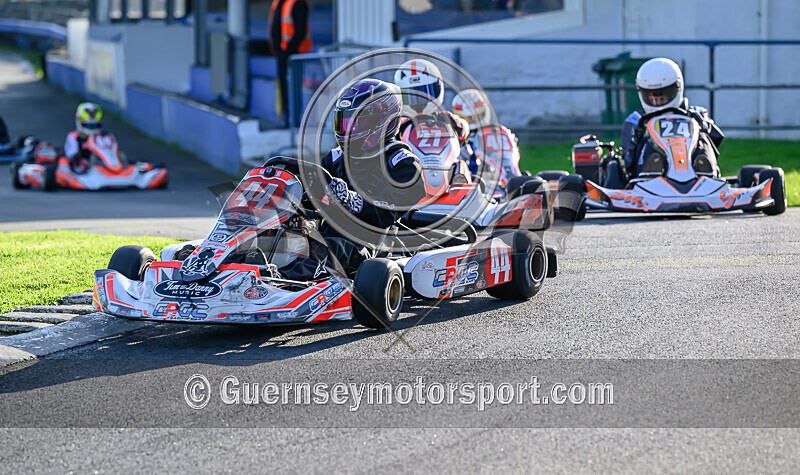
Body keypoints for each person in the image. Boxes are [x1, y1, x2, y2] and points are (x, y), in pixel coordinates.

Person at [280, 78, 427, 279]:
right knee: (274, 235)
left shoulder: (401, 163)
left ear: (383, 121)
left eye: (357, 122)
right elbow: (312, 193)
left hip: (369, 243)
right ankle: (234, 271)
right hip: (326, 233)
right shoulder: (334, 159)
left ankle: (282, 282)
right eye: (345, 121)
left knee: (330, 248)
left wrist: (353, 201)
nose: (348, 129)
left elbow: (392, 206)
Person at [618, 57, 724, 184]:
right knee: (648, 143)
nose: (658, 102)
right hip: (648, 174)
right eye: (652, 97)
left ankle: (705, 170)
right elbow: (629, 158)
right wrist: (641, 132)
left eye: (664, 95)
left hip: (692, 166)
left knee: (702, 137)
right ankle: (651, 171)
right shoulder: (636, 119)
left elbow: (716, 138)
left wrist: (700, 123)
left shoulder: (697, 113)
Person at [269, 0, 312, 128]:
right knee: (284, 87)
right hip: (282, 54)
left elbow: (300, 31)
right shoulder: (278, 3)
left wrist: (288, 51)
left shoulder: (297, 3)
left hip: (294, 54)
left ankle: (294, 121)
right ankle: (287, 119)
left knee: (293, 88)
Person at [64, 102, 104, 173]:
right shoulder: (74, 137)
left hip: (102, 164)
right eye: (89, 125)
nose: (92, 129)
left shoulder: (102, 137)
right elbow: (71, 156)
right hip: (82, 167)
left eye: (95, 125)